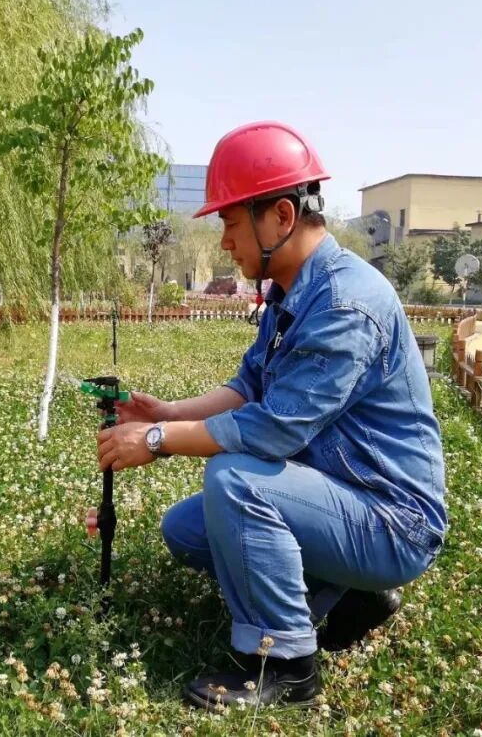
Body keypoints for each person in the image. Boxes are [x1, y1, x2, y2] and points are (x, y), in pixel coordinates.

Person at [95, 121, 447, 711]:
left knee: (235, 481)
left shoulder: (345, 304)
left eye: (231, 223)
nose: (224, 241)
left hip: (392, 521)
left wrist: (156, 439)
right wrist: (168, 412)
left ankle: (286, 664)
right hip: (345, 495)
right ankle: (348, 596)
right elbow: (249, 387)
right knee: (186, 530)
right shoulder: (293, 292)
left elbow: (272, 429)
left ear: (281, 216)